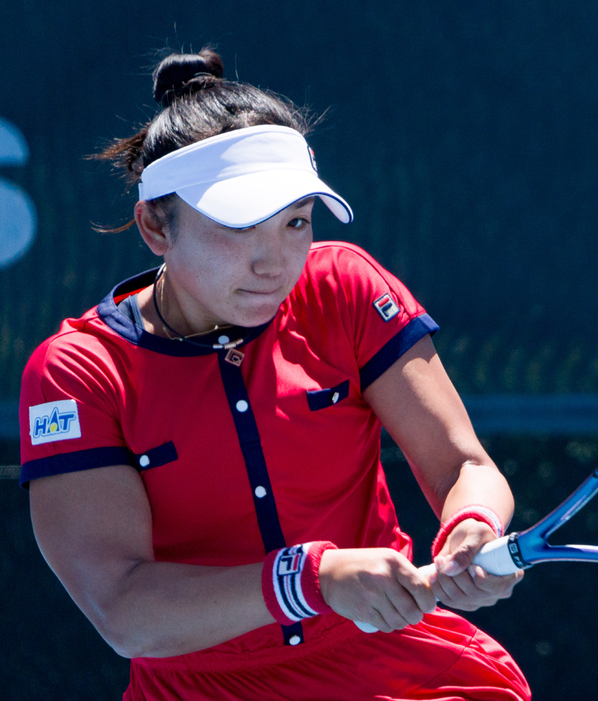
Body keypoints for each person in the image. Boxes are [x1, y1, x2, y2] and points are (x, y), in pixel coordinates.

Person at [19, 48, 530, 701]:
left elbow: (464, 467)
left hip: (402, 666)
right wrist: (308, 576)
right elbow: (123, 607)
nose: (274, 261)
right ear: (154, 226)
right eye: (238, 228)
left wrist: (472, 526)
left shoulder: (344, 285)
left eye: (295, 222)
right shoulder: (78, 373)